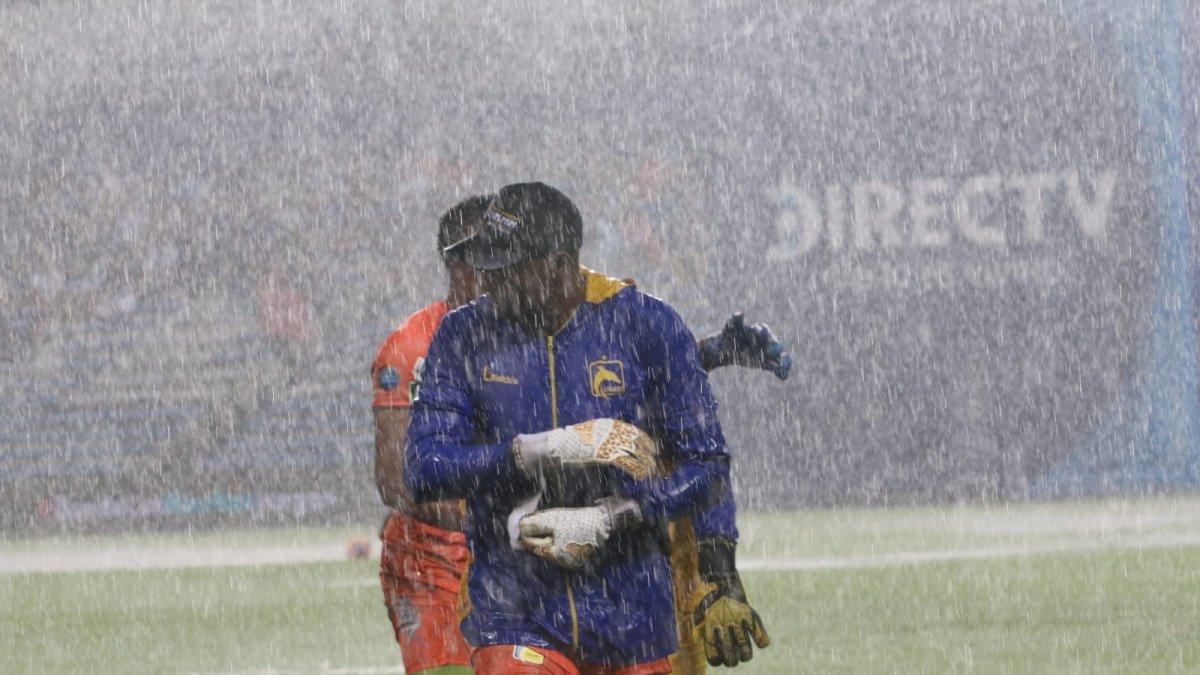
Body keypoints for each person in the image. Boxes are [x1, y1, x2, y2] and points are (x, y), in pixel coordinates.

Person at [373, 191, 787, 675]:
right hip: (511, 605)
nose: (489, 280)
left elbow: (704, 462)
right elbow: (419, 470)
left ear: (558, 264)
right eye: (484, 264)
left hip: (633, 612)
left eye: (507, 266)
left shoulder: (643, 321)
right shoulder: (459, 334)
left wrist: (617, 519)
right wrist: (539, 456)